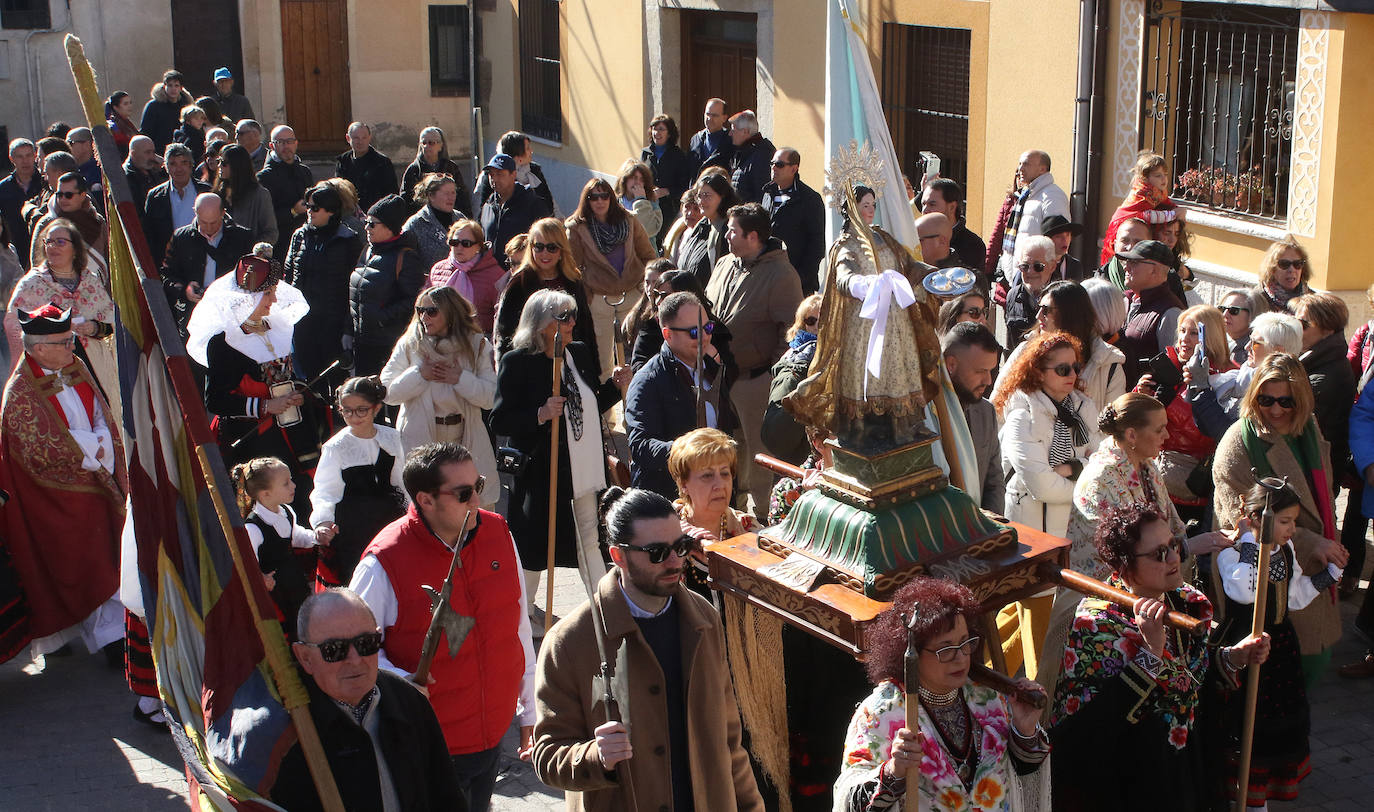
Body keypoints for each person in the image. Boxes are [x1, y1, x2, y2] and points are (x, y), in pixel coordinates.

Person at [531, 487, 764, 811]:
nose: (674, 562)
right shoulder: (569, 642)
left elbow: (729, 739)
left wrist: (752, 806)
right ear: (618, 556)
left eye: (680, 547)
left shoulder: (704, 621)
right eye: (656, 552)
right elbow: (546, 755)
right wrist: (594, 756)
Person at [349, 442, 537, 811]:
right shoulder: (384, 560)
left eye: (478, 485)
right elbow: (355, 650)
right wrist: (401, 682)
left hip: (493, 732)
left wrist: (528, 710)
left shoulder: (498, 532)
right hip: (429, 745)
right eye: (464, 493)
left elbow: (517, 626)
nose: (476, 501)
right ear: (426, 499)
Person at [1050, 502, 1268, 812]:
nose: (1174, 558)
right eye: (1158, 554)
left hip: (1186, 771)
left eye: (1174, 545)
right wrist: (1150, 653)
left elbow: (1189, 678)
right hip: (1133, 784)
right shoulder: (1097, 627)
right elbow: (1086, 732)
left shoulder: (1185, 601)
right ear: (1123, 567)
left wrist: (1233, 657)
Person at [834, 577, 1049, 811]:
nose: (961, 657)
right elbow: (853, 803)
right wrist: (894, 771)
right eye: (946, 649)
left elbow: (1023, 772)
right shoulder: (879, 714)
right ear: (911, 653)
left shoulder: (987, 697)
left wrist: (1024, 731)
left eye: (965, 643)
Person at [490, 290, 630, 615]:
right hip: (543, 471)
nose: (572, 322)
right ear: (542, 323)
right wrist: (539, 414)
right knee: (534, 547)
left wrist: (614, 386)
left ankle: (606, 609)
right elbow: (500, 419)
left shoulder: (577, 353)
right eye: (564, 316)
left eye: (572, 315)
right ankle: (521, 614)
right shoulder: (518, 362)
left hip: (583, 466)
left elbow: (589, 404)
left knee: (590, 538)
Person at [1212, 352, 1347, 686]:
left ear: (1300, 400)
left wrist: (1329, 542)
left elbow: (1324, 498)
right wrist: (1311, 540)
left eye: (1285, 401)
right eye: (1266, 399)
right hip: (1267, 584)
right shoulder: (1239, 442)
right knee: (1276, 685)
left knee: (1312, 667)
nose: (1274, 409)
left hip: (1313, 567)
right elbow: (1243, 521)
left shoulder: (1309, 429)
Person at [0, 304, 125, 662]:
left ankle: (116, 633)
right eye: (65, 341)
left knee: (106, 553)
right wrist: (93, 448)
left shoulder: (73, 366)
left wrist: (102, 442)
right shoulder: (19, 393)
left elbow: (100, 411)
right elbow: (40, 448)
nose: (73, 347)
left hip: (95, 473)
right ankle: (110, 639)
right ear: (38, 348)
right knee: (83, 560)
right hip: (56, 495)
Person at [273, 588, 467, 812]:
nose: (355, 660)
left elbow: (446, 794)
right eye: (335, 650)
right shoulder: (283, 731)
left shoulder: (407, 700)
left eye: (366, 643)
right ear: (305, 658)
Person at [1213, 481, 1337, 809]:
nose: (1292, 529)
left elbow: (1292, 596)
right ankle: (1242, 801)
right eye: (1285, 521)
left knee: (1272, 732)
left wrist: (1328, 577)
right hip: (1246, 647)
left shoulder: (1287, 550)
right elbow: (1245, 590)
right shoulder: (1231, 552)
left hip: (1280, 648)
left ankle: (1259, 801)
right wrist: (1248, 543)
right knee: (1246, 730)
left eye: (1294, 521)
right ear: (1256, 518)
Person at [788, 186, 940, 452]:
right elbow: (843, 276)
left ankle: (902, 426)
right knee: (867, 375)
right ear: (851, 208)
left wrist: (935, 277)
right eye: (864, 204)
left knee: (898, 370)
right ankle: (866, 428)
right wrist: (862, 284)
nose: (870, 209)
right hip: (865, 323)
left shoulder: (883, 237)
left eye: (872, 204)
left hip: (897, 321)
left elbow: (909, 264)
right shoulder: (846, 245)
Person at [188, 250, 330, 518]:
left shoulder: (277, 325)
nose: (274, 300)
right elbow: (215, 400)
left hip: (291, 432)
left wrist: (296, 392)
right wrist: (266, 405)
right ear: (245, 298)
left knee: (297, 497)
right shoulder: (225, 342)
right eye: (267, 294)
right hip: (251, 440)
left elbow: (282, 375)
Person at [707, 202, 804, 516]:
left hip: (756, 380)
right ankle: (731, 511)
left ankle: (764, 515)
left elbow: (792, 330)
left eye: (733, 231)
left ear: (752, 236)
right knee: (729, 450)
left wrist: (771, 373)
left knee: (759, 454)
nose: (727, 235)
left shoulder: (781, 274)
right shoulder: (724, 264)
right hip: (720, 376)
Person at [380, 286, 499, 504]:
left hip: (463, 436)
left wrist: (460, 378)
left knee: (472, 503)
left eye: (432, 311)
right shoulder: (409, 344)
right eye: (420, 310)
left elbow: (491, 397)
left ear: (450, 312)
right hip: (421, 437)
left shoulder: (476, 345)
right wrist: (419, 374)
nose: (424, 317)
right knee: (426, 503)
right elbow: (387, 393)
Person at [626, 292, 736, 499]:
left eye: (708, 328)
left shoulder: (713, 368)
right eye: (693, 332)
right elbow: (640, 446)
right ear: (668, 334)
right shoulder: (648, 380)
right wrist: (691, 452)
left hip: (714, 496)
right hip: (668, 501)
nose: (704, 336)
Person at [993, 331, 1101, 537]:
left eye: (1075, 368)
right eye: (1063, 369)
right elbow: (1043, 487)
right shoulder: (1023, 418)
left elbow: (1101, 467)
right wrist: (1086, 487)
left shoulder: (1083, 411)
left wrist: (1072, 467)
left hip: (1074, 533)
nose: (1073, 375)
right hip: (1032, 534)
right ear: (1039, 372)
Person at [1136, 304, 1235, 527]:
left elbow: (1206, 431)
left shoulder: (1227, 377)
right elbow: (1135, 420)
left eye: (1193, 333)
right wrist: (1140, 394)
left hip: (1192, 484)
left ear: (1212, 338)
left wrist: (1167, 402)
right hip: (1155, 476)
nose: (1184, 339)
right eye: (1182, 331)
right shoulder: (1169, 367)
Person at [309, 378, 407, 589]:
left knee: (394, 575)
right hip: (353, 525)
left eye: (361, 410)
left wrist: (412, 512)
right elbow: (325, 490)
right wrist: (323, 521)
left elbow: (401, 479)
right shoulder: (336, 447)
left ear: (376, 408)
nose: (354, 417)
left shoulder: (392, 438)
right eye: (347, 411)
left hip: (388, 518)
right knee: (359, 579)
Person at [5, 220, 117, 396]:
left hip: (96, 370)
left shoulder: (90, 281)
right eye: (49, 242)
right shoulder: (32, 284)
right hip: (52, 373)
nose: (53, 246)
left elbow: (111, 324)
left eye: (60, 242)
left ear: (75, 249)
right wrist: (53, 330)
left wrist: (94, 327)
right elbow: (14, 324)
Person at [566, 177, 658, 378]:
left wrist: (644, 288)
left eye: (604, 196)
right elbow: (572, 267)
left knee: (637, 357)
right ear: (586, 200)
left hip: (632, 297)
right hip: (599, 300)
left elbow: (649, 255)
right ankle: (606, 408)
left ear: (611, 197)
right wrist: (588, 294)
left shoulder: (629, 220)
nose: (599, 201)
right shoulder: (576, 227)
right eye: (593, 197)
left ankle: (634, 404)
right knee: (602, 364)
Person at [232, 455, 328, 637]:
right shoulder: (253, 527)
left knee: (305, 623)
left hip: (294, 582)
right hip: (276, 594)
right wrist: (260, 578)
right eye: (286, 483)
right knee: (290, 631)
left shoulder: (286, 511)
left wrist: (316, 536)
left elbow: (296, 536)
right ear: (265, 494)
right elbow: (245, 564)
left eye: (290, 480)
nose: (293, 485)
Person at [286, 183, 365, 382]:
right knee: (306, 383)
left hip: (334, 325)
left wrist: (348, 329)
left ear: (330, 211)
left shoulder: (348, 240)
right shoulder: (300, 236)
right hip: (303, 323)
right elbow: (288, 276)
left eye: (314, 208)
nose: (309, 212)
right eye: (307, 206)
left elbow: (355, 289)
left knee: (336, 382)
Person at [491, 217, 598, 360]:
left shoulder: (573, 281)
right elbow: (503, 335)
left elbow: (586, 331)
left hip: (570, 363)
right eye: (539, 247)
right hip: (530, 365)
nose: (545, 254)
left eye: (552, 247)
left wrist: (592, 370)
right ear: (531, 248)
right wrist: (505, 371)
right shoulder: (518, 284)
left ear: (562, 250)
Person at [350, 194, 426, 376]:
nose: (366, 227)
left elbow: (414, 301)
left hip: (387, 343)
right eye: (367, 221)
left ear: (390, 227)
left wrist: (382, 317)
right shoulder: (368, 251)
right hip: (362, 341)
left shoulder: (405, 257)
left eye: (373, 223)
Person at [160, 192, 254, 338]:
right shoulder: (181, 238)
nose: (209, 228)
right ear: (195, 213)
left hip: (230, 317)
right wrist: (185, 289)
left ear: (223, 213)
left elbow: (252, 278)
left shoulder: (241, 238)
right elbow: (167, 275)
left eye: (214, 222)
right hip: (195, 316)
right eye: (203, 222)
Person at [1289, 292, 1356, 477]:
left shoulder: (1325, 377)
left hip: (1314, 474)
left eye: (1303, 324)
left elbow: (1296, 430)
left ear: (1328, 330)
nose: (1296, 329)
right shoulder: (1315, 360)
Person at [942, 322, 1005, 513]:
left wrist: (988, 529)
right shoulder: (927, 414)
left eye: (991, 371)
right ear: (951, 365)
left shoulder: (986, 412)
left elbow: (994, 482)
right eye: (980, 371)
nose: (988, 381)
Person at [760, 293, 822, 466]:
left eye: (824, 318)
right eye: (811, 320)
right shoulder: (793, 363)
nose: (818, 325)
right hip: (801, 461)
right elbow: (775, 435)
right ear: (802, 325)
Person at [1118, 239, 1185, 387]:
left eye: (1134, 262)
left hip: (1142, 404)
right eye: (1127, 262)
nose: (1126, 268)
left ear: (1154, 270)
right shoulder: (1125, 300)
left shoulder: (1171, 312)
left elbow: (1171, 373)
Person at [997, 150, 1069, 287]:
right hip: (1021, 275)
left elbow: (1059, 242)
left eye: (1026, 164)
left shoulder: (1053, 196)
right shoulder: (1027, 195)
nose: (1020, 169)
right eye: (1019, 164)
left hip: (1038, 279)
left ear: (1042, 169)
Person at [427, 219, 508, 336]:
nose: (459, 248)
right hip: (439, 341)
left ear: (479, 246)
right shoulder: (438, 269)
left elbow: (501, 318)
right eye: (454, 242)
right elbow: (424, 305)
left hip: (477, 343)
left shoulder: (495, 275)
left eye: (466, 244)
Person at [761, 147, 826, 294]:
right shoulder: (767, 193)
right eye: (772, 163)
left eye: (779, 164)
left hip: (798, 284)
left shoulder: (810, 199)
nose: (773, 168)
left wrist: (799, 278)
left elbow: (817, 244)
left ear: (793, 169)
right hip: (766, 278)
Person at [1099, 150, 1178, 267]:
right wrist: (1172, 215)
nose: (1164, 179)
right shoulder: (1142, 193)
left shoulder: (1159, 193)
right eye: (1158, 175)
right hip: (1123, 227)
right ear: (1145, 177)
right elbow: (1144, 215)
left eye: (1165, 175)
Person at [478, 153, 552, 270]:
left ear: (513, 174)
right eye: (491, 175)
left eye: (500, 174)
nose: (494, 179)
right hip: (491, 275)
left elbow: (546, 240)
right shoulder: (488, 205)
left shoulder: (532, 203)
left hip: (522, 272)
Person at [145, 143, 210, 267]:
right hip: (170, 262)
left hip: (203, 259)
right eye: (173, 164)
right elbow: (150, 236)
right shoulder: (155, 197)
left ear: (191, 165)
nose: (179, 169)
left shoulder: (206, 191)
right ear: (165, 166)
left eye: (184, 163)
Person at [258, 125, 315, 259]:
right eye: (281, 142)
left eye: (289, 141)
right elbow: (264, 217)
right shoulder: (264, 177)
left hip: (305, 241)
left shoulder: (304, 172)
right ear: (272, 146)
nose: (286, 146)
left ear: (296, 144)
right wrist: (293, 211)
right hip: (280, 244)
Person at [471, 130, 554, 216]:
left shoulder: (535, 171)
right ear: (518, 158)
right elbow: (482, 208)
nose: (531, 151)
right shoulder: (489, 174)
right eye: (528, 148)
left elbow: (548, 203)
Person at [676, 173, 739, 286]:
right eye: (699, 196)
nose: (701, 201)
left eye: (707, 195)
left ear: (722, 197)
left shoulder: (728, 231)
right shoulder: (700, 227)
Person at [641, 114, 694, 243]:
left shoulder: (678, 155)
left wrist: (666, 191)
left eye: (661, 129)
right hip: (650, 206)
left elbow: (685, 185)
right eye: (654, 129)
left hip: (670, 208)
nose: (657, 133)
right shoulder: (646, 153)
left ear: (669, 133)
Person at [214, 143, 278, 248]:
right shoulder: (217, 193)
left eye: (224, 163)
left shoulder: (260, 195)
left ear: (237, 166)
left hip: (245, 257)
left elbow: (271, 233)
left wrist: (251, 248)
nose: (219, 166)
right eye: (218, 161)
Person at [1001, 235, 1057, 351]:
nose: (1030, 272)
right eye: (1024, 266)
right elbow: (1010, 346)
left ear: (1052, 266)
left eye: (1038, 266)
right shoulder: (1013, 295)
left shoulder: (1062, 298)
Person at [402, 126, 472, 216]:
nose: (427, 146)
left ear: (440, 146)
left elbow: (462, 197)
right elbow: (406, 199)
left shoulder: (451, 168)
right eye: (424, 143)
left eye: (431, 143)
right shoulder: (413, 170)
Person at [920, 177, 986, 271]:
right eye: (923, 204)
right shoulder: (915, 238)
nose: (925, 210)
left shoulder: (973, 244)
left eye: (932, 204)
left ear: (952, 207)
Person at [403, 173, 466, 271]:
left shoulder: (460, 219)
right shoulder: (415, 224)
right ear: (431, 195)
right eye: (446, 193)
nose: (451, 197)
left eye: (453, 192)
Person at [335, 122, 399, 211]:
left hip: (375, 214)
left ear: (369, 137)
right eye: (356, 138)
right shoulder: (343, 161)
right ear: (348, 138)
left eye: (364, 138)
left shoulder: (382, 162)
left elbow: (391, 194)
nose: (360, 142)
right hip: (349, 212)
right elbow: (339, 190)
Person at [1251, 236, 1314, 314]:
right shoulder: (1256, 300)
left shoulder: (1313, 301)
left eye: (1297, 264)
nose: (1292, 270)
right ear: (1272, 268)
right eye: (1284, 264)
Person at [724, 110, 775, 204]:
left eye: (733, 129)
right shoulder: (744, 153)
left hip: (751, 217)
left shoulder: (762, 156)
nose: (730, 133)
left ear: (745, 131)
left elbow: (762, 195)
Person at [139, 69, 194, 152]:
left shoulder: (186, 105)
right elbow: (146, 132)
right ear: (164, 86)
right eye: (170, 85)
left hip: (183, 151)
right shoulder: (154, 106)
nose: (173, 89)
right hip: (159, 150)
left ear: (181, 88)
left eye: (176, 85)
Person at [1096, 216, 1151, 293]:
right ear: (1115, 245)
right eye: (1125, 240)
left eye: (1138, 242)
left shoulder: (1163, 280)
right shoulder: (1100, 282)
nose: (1130, 247)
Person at [614, 160, 663, 246]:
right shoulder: (615, 201)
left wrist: (641, 200)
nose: (637, 183)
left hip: (644, 254)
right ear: (624, 179)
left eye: (641, 179)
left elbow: (650, 230)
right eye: (634, 178)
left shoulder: (651, 202)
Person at [122, 135, 164, 226]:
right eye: (147, 152)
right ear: (133, 153)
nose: (152, 157)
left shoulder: (153, 169)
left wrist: (165, 167)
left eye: (153, 152)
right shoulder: (126, 178)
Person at [64, 128, 104, 216]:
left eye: (70, 143)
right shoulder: (71, 170)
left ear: (86, 145)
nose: (66, 147)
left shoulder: (99, 170)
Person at [688, 97, 733, 170]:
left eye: (714, 115)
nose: (709, 118)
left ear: (724, 118)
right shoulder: (696, 140)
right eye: (707, 114)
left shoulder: (731, 140)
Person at [1220, 288, 1261, 367]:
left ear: (1253, 314)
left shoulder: (1255, 352)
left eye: (1233, 310)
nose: (1225, 315)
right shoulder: (1216, 341)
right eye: (1222, 309)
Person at [663, 188, 703, 266]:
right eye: (687, 207)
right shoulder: (678, 231)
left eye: (696, 209)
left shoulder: (706, 235)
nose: (690, 213)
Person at [1041, 214, 1084, 282]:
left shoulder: (1075, 266)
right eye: (1058, 236)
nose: (1065, 240)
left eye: (1067, 235)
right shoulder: (1037, 265)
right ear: (1048, 239)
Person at [105, 91, 141, 158]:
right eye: (125, 104)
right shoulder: (113, 125)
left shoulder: (127, 122)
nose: (130, 106)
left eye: (130, 103)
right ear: (115, 107)